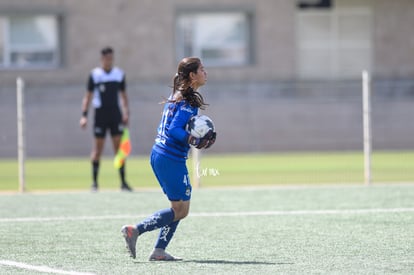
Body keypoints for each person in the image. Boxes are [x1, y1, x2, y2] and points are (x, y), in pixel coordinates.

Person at [121, 57, 216, 261]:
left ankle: (159, 251)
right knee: (181, 210)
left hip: (161, 154)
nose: (205, 72)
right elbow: (174, 129)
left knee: (179, 209)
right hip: (170, 158)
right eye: (202, 69)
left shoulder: (181, 94)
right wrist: (192, 139)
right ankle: (135, 230)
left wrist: (193, 138)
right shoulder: (187, 99)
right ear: (192, 75)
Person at [79, 47, 133, 192]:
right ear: (102, 59)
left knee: (119, 149)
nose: (109, 61)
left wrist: (126, 112)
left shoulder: (119, 74)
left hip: (115, 115)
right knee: (97, 149)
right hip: (100, 115)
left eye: (111, 58)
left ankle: (123, 182)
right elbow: (88, 96)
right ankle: (95, 183)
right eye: (107, 58)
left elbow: (123, 95)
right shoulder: (95, 75)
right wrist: (84, 115)